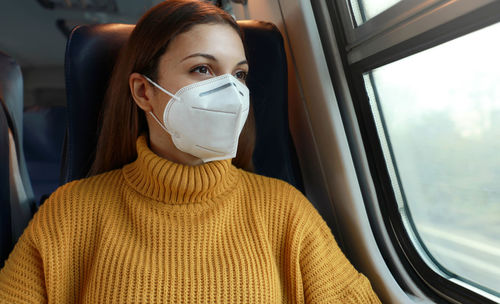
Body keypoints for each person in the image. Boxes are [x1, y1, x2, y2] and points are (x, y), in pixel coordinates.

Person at [0, 0, 381, 303]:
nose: (231, 93)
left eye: (239, 75)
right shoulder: (70, 214)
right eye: (202, 69)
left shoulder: (286, 212)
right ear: (143, 92)